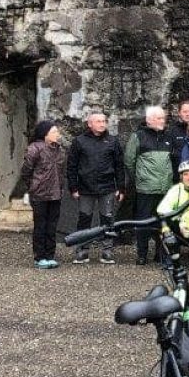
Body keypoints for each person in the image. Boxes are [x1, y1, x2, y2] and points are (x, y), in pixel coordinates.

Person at [66, 112, 125, 264]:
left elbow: (119, 166)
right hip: (85, 188)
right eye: (98, 121)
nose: (102, 124)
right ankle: (82, 250)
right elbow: (71, 166)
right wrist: (73, 187)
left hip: (107, 188)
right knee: (84, 220)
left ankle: (107, 251)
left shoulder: (112, 141)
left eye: (104, 121)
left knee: (107, 220)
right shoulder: (79, 141)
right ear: (90, 124)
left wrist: (121, 187)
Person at [124, 106, 175, 265]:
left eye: (163, 118)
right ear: (149, 120)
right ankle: (142, 254)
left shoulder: (168, 136)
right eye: (159, 118)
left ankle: (161, 254)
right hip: (146, 189)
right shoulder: (138, 136)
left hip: (165, 188)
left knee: (164, 223)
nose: (162, 121)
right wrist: (140, 178)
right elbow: (129, 161)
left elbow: (172, 160)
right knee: (143, 223)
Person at [21, 120, 65, 269]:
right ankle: (39, 257)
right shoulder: (34, 149)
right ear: (45, 134)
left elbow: (61, 171)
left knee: (52, 226)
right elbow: (26, 171)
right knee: (40, 226)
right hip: (40, 194)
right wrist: (33, 186)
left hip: (55, 193)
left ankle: (50, 255)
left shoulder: (58, 149)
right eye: (54, 132)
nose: (57, 134)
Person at [168, 100, 189, 176]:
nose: (188, 114)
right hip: (178, 173)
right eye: (184, 112)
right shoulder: (172, 130)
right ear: (179, 113)